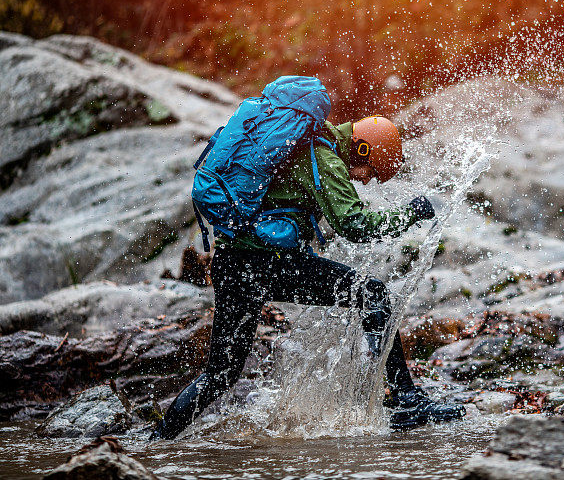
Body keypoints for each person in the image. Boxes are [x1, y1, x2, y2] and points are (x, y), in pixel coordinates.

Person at [151, 115, 465, 439]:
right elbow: (355, 225)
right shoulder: (325, 157)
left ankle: (156, 442)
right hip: (268, 265)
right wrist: (410, 213)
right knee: (374, 296)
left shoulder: (303, 145)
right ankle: (407, 401)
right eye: (370, 171)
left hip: (233, 265)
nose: (367, 181)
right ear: (359, 147)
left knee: (220, 374)